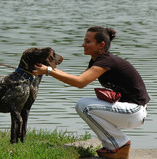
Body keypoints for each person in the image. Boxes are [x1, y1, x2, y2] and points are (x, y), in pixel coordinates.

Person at [33, 26, 150, 159]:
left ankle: (119, 145)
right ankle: (113, 147)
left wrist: (48, 71)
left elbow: (80, 82)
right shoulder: (97, 60)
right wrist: (47, 69)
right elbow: (78, 78)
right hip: (129, 111)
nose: (83, 44)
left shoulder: (106, 61)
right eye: (84, 41)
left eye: (88, 42)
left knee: (84, 105)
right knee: (84, 105)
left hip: (134, 110)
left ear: (101, 45)